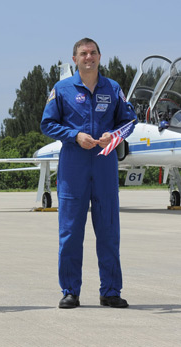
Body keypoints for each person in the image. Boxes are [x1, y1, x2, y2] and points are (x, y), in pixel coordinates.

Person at [41, 38, 137, 309]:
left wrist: (114, 135)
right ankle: (70, 290)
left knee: (108, 231)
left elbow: (129, 121)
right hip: (74, 167)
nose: (89, 57)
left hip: (104, 166)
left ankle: (110, 291)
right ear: (75, 59)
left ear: (100, 56)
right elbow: (47, 123)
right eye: (83, 53)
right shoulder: (62, 89)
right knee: (70, 232)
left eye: (93, 53)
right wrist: (74, 135)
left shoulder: (113, 87)